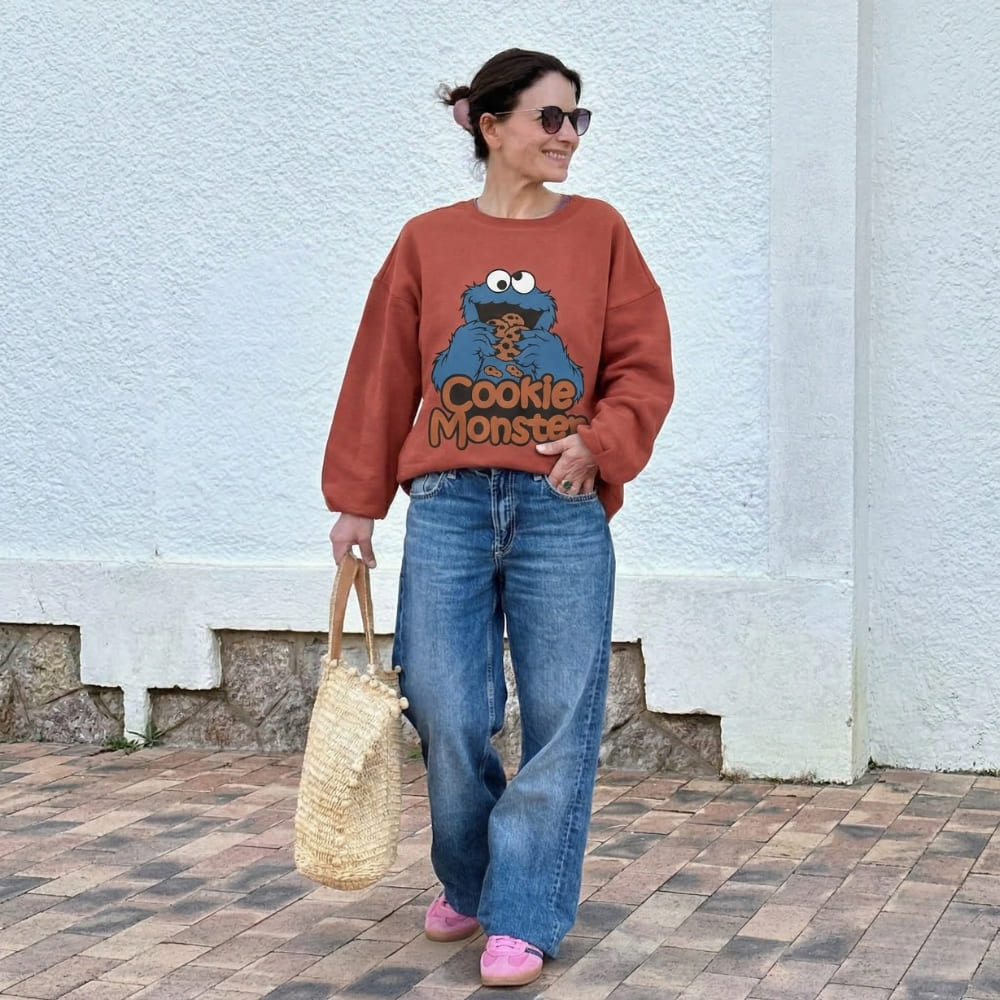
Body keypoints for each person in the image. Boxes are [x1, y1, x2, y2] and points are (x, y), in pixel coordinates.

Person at [322, 48, 673, 989]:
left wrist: (599, 444)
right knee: (443, 703)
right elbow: (383, 372)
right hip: (446, 504)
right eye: (550, 119)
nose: (567, 137)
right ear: (491, 125)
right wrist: (357, 503)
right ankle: (473, 880)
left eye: (577, 120)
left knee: (561, 714)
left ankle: (522, 912)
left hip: (558, 508)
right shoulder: (427, 241)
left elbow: (643, 365)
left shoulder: (600, 233)